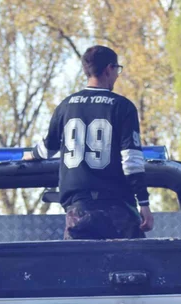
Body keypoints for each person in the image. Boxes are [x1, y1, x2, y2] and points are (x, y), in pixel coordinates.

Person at [26, 45, 154, 239]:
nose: (117, 76)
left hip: (78, 211)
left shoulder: (65, 106)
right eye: (117, 70)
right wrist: (144, 203)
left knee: (78, 267)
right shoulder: (123, 107)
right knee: (132, 265)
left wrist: (31, 155)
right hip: (117, 209)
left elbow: (48, 148)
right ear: (109, 69)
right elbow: (131, 160)